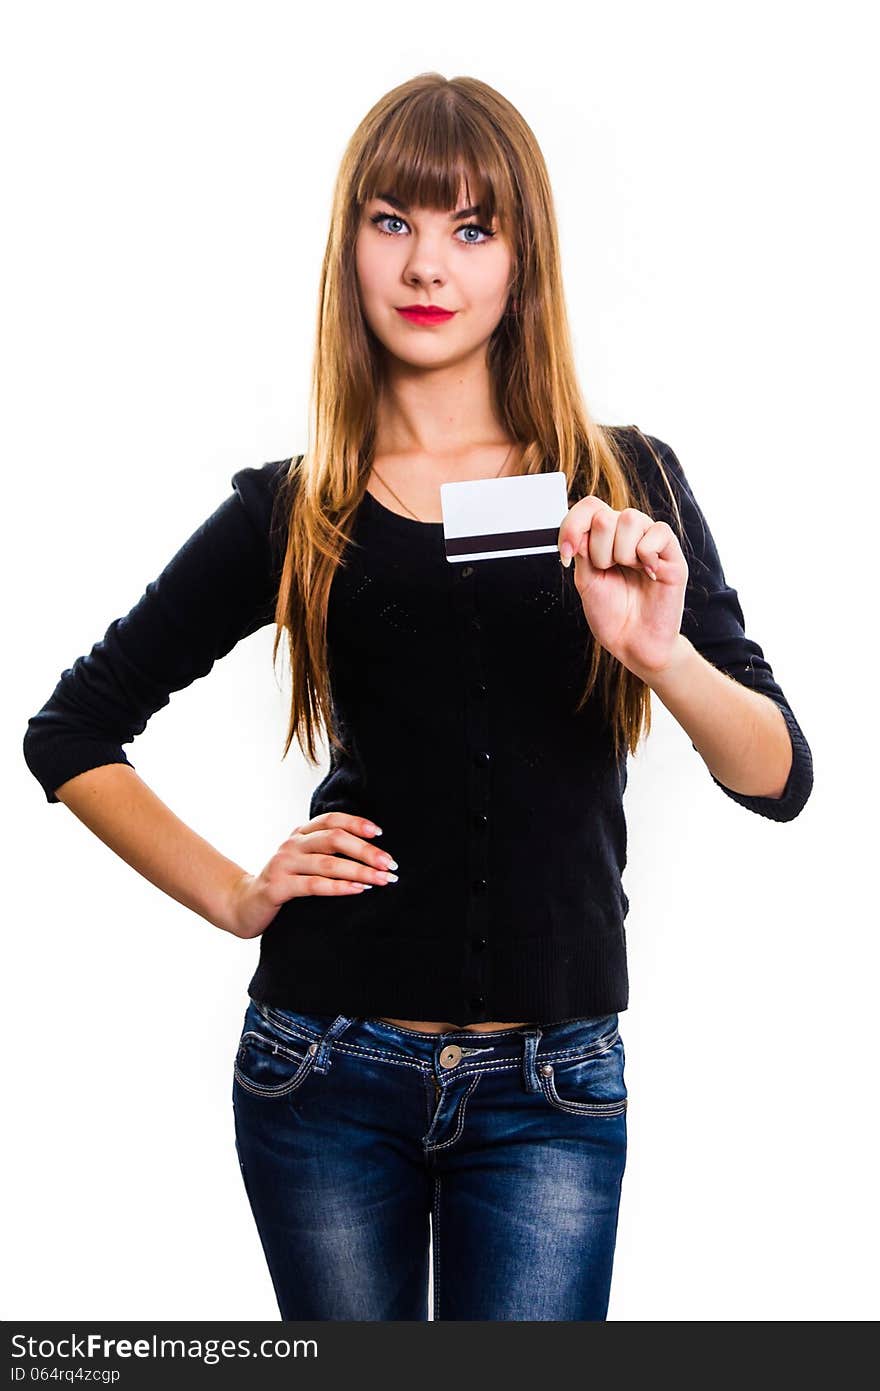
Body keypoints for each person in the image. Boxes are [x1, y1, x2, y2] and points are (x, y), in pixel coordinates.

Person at [22, 73, 813, 1322]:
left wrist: (659, 654)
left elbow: (777, 775)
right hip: (322, 1070)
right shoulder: (295, 506)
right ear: (348, 247)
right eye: (392, 220)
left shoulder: (623, 480)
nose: (426, 263)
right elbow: (70, 731)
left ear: (521, 259)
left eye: (469, 227)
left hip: (552, 1087)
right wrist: (236, 894)